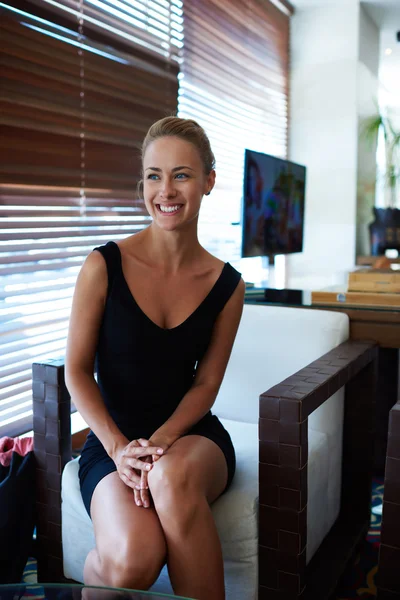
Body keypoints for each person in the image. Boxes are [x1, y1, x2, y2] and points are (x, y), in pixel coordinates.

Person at [65, 116, 245, 600]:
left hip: (190, 436)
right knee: (132, 562)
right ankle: (93, 575)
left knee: (168, 476)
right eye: (154, 175)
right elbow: (77, 371)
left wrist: (160, 443)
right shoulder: (103, 265)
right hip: (111, 441)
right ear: (142, 182)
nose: (166, 190)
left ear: (209, 180)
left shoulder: (227, 285)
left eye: (182, 174)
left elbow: (206, 384)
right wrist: (121, 448)